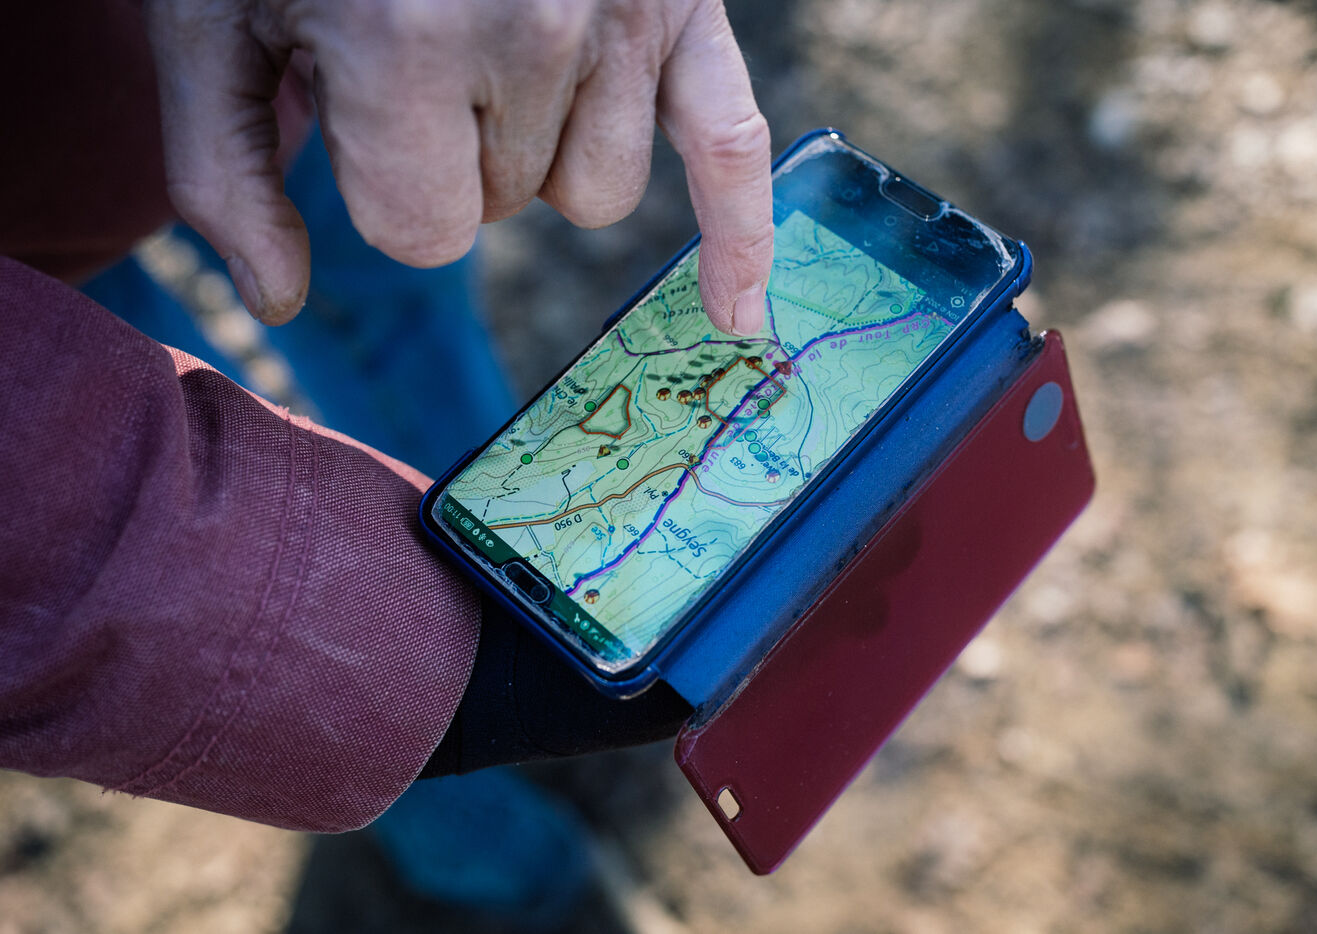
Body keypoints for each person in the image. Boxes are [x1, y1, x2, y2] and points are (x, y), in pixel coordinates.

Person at [0, 0, 773, 834]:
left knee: (403, 297)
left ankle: (531, 611)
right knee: (150, 411)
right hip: (33, 222)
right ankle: (494, 854)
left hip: (315, 51)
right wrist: (332, 636)